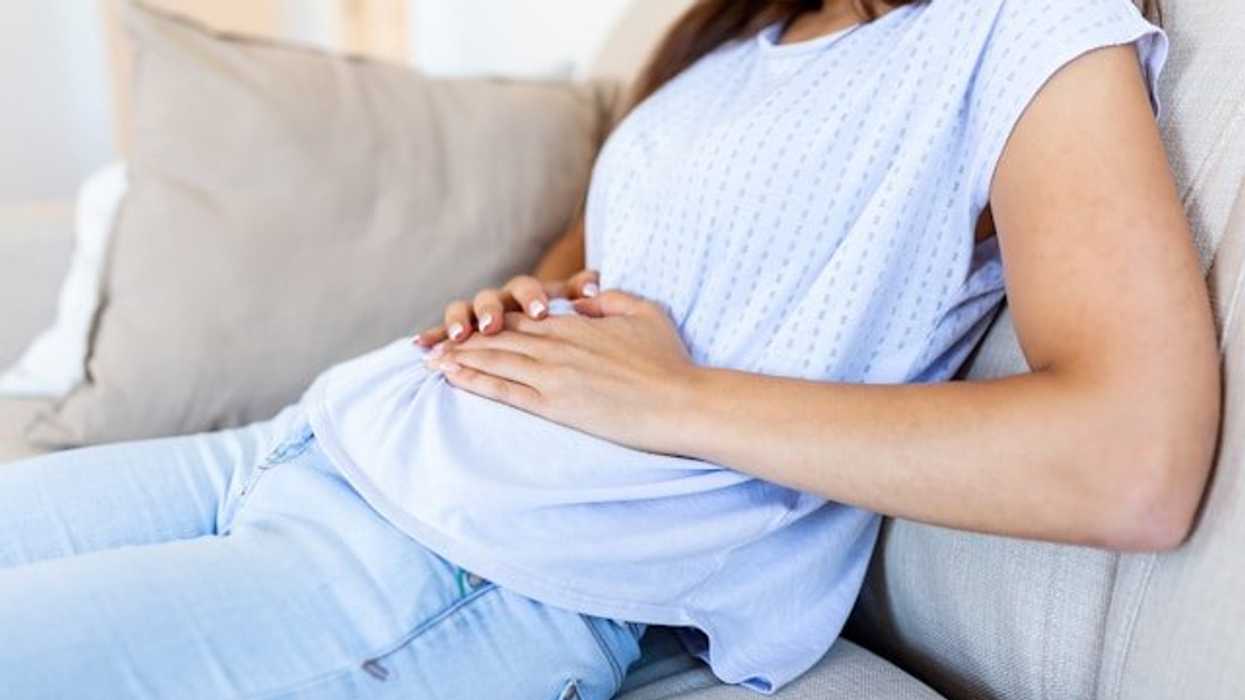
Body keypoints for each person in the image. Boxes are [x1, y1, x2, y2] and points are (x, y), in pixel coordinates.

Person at [0, 0, 1217, 698]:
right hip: (310, 441)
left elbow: (1133, 462)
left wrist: (678, 399)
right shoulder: (747, 31)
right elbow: (601, 259)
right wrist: (523, 299)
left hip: (466, 570)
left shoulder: (1029, 26)